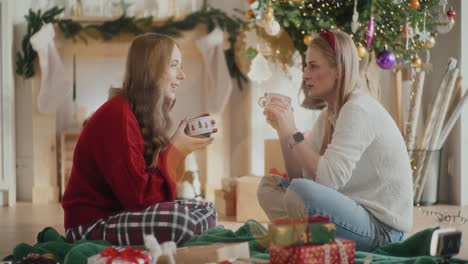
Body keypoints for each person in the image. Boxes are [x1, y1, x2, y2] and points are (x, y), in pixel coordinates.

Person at [257, 29, 413, 251]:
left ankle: (300, 239)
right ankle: (310, 240)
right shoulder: (329, 114)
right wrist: (283, 130)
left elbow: (326, 180)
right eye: (305, 66)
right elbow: (298, 175)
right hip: (354, 213)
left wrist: (293, 130)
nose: (305, 74)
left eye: (313, 66)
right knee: (269, 187)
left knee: (301, 193)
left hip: (384, 230)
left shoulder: (358, 109)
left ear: (338, 70)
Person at [62, 33, 218, 246]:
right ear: (152, 70)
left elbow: (153, 196)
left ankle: (183, 233)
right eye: (174, 65)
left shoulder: (138, 113)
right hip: (90, 225)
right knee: (180, 222)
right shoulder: (118, 114)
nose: (182, 75)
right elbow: (140, 199)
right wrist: (176, 150)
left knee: (206, 209)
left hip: (122, 213)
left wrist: (177, 149)